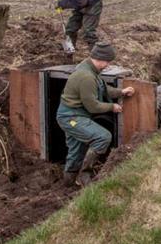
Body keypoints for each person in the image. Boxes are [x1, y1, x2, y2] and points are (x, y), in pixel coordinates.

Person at [56, 41, 134, 186]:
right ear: (99, 59)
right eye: (107, 62)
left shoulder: (91, 70)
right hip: (71, 118)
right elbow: (92, 106)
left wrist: (121, 92)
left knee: (76, 150)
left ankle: (67, 185)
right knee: (103, 137)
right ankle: (84, 174)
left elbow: (103, 89)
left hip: (76, 115)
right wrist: (112, 107)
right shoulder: (86, 77)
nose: (108, 65)